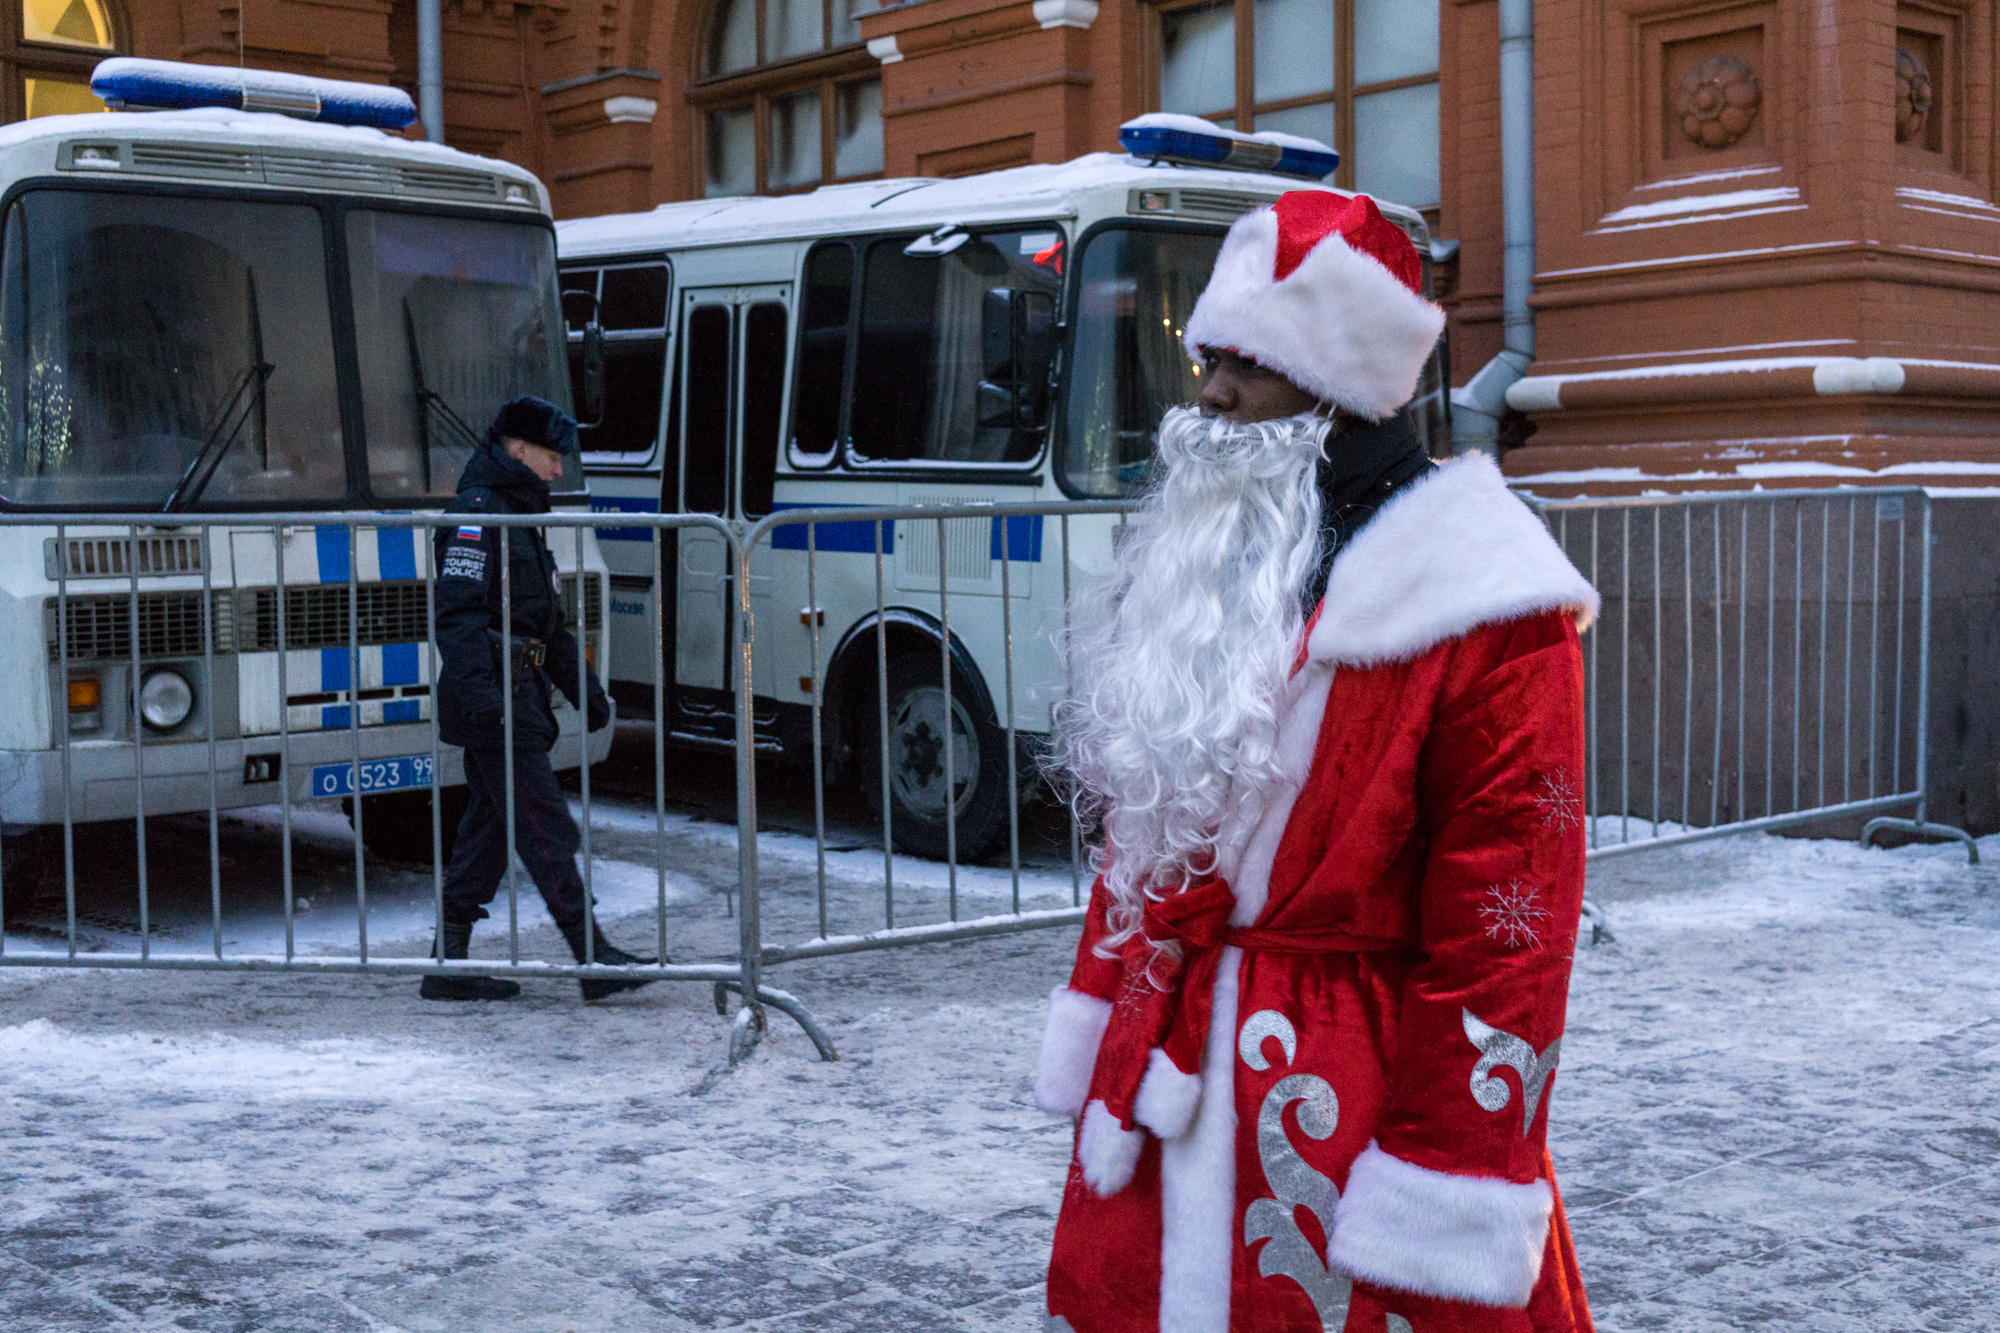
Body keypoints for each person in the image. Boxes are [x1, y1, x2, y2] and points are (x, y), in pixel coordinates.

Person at [1036, 191, 1599, 1332]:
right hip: (1166, 1095)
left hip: (1353, 1118)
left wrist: (1443, 1181)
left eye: (1251, 361)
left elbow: (1509, 938)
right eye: (1210, 356)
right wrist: (1102, 1013)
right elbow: (1143, 844)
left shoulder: (1486, 607)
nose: (1211, 390)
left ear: (1341, 383)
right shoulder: (1221, 564)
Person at [421, 395, 658, 1004]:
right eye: (553, 457)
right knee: (543, 825)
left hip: (518, 696)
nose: (559, 470)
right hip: (496, 703)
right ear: (518, 450)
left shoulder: (519, 515)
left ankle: (447, 964)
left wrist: (589, 693)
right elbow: (459, 618)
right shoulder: (478, 517)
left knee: (492, 828)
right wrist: (484, 703)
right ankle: (593, 958)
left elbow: (544, 623)